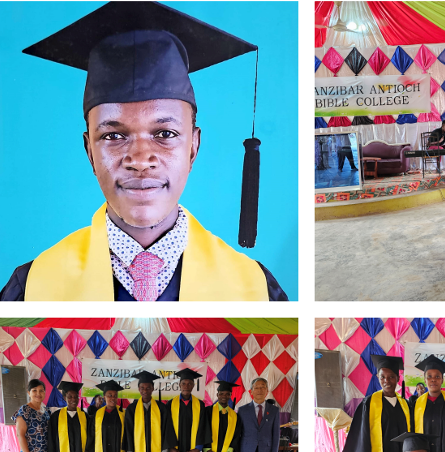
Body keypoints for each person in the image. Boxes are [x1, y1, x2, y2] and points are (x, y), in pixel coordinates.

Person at [0, 2, 288, 302]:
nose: (140, 160)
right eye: (113, 136)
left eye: (165, 134)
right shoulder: (33, 288)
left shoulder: (254, 289)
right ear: (90, 152)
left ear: (193, 148)